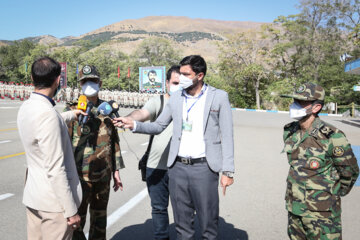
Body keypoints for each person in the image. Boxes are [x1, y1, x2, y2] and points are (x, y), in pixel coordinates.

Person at [114, 55, 235, 239]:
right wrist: (134, 125)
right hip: (177, 168)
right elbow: (159, 126)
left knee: (208, 224)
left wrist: (228, 171)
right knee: (182, 224)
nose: (182, 77)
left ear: (200, 75)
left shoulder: (218, 97)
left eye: (186, 74)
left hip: (204, 168)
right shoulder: (177, 97)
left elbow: (227, 135)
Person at [281, 82, 359, 239]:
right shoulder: (290, 131)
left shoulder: (333, 136)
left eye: (301, 102)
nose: (294, 105)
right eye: (294, 101)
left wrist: (333, 194)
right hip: (295, 209)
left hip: (322, 216)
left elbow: (350, 172)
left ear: (316, 107)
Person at [17, 56, 83, 240]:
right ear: (57, 80)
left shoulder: (27, 106)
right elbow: (55, 168)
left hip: (34, 197)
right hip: (54, 205)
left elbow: (43, 129)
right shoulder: (48, 115)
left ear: (32, 79)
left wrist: (70, 114)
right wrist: (70, 211)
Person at [120, 65, 180, 240]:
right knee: (159, 209)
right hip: (156, 166)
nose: (178, 86)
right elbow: (142, 113)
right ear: (167, 83)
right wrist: (130, 119)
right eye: (175, 82)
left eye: (181, 83)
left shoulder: (189, 102)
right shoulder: (158, 101)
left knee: (183, 210)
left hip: (180, 168)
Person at [66, 65, 125, 240]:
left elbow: (114, 141)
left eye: (92, 80)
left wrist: (116, 170)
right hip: (79, 178)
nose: (89, 84)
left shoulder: (108, 110)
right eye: (85, 81)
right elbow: (63, 144)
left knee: (100, 223)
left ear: (99, 82)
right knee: (76, 225)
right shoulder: (71, 111)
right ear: (80, 84)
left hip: (103, 176)